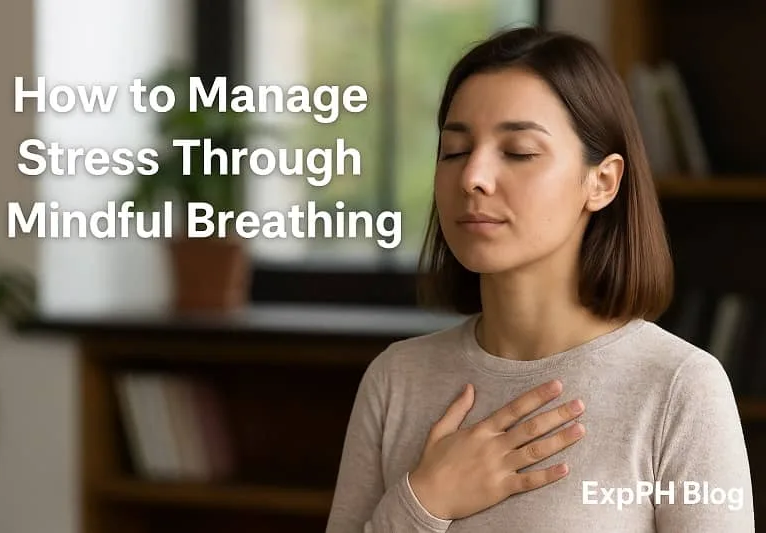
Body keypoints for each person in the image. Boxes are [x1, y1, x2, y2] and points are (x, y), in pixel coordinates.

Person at [324, 26, 755, 532]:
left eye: (519, 151)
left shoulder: (680, 388)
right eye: (455, 151)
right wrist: (425, 501)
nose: (473, 177)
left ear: (602, 182)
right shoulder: (395, 379)